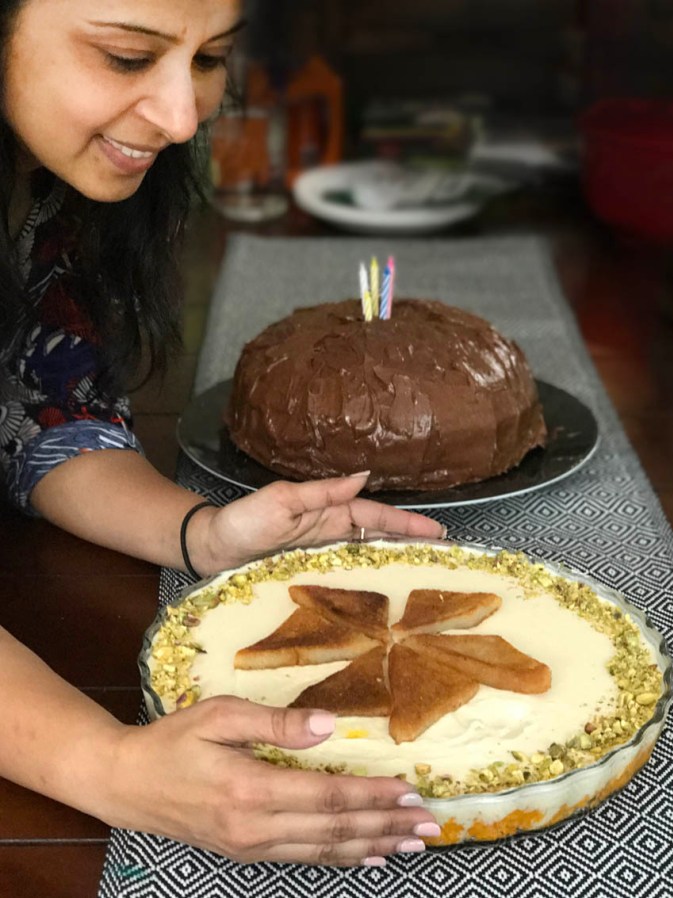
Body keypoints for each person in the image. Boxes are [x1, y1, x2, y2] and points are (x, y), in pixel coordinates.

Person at [0, 0, 446, 868]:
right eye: (128, 58)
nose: (181, 116)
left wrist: (205, 534)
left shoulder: (48, 183)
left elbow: (46, 415)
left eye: (209, 59)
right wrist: (109, 765)